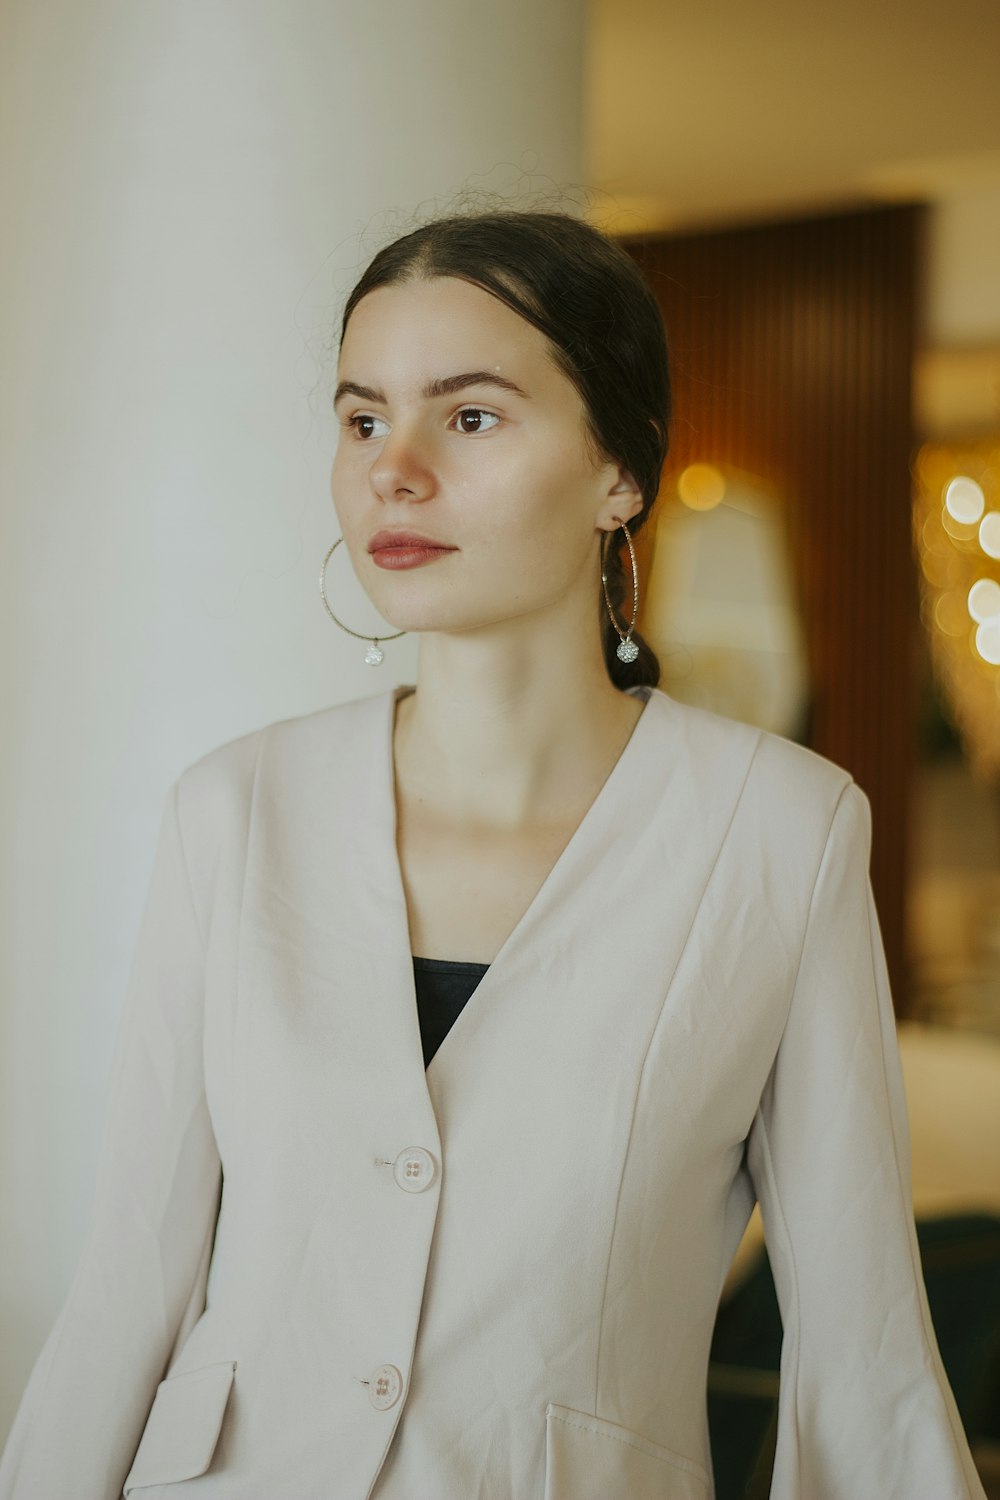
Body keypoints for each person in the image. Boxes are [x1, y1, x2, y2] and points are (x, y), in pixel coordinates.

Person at [0, 209, 988, 1500]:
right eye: (362, 420)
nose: (393, 471)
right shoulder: (234, 812)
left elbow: (863, 1356)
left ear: (618, 474)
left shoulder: (780, 835)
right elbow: (130, 1287)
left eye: (469, 418)